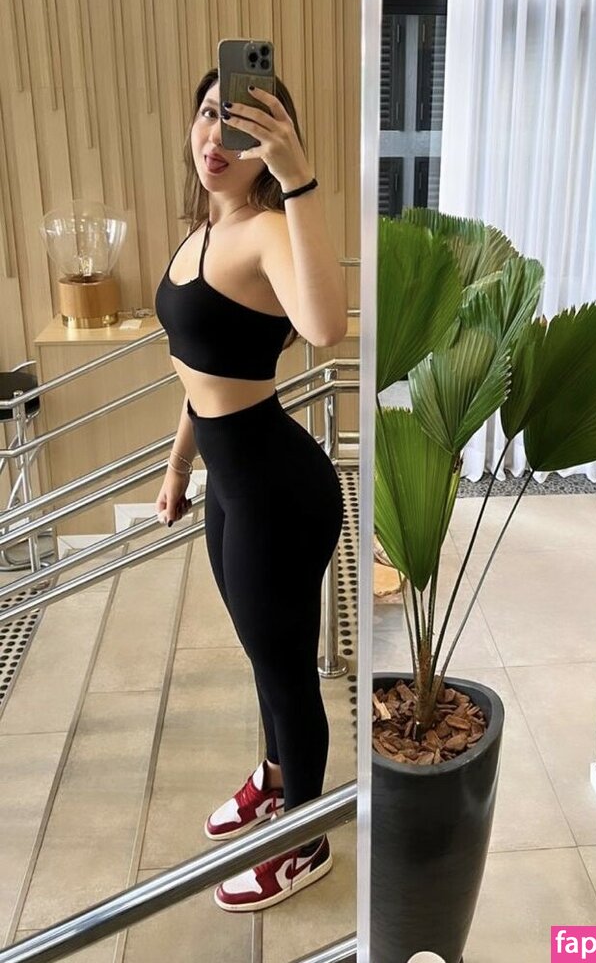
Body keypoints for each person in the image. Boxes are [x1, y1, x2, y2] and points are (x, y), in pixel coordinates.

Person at [153, 65, 346, 912]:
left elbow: (324, 328)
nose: (214, 138)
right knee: (264, 657)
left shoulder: (270, 230)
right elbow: (193, 372)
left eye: (238, 125)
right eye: (207, 114)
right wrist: (176, 469)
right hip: (230, 485)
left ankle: (305, 840)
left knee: (287, 669)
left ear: (266, 143)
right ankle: (275, 778)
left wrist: (299, 178)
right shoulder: (198, 235)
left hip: (277, 489)